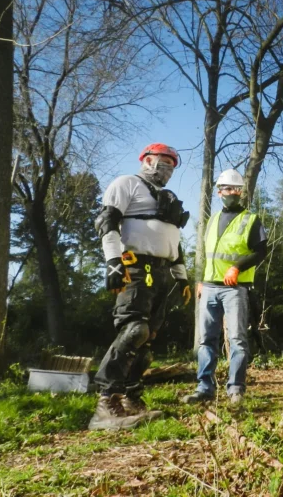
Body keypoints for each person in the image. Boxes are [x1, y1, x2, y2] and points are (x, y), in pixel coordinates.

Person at [88, 143, 192, 430]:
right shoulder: (126, 184)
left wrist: (181, 276)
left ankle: (131, 398)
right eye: (163, 162)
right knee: (135, 330)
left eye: (172, 165)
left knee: (147, 340)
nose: (168, 168)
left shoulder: (167, 197)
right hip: (135, 266)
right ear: (146, 160)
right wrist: (113, 262)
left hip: (161, 272)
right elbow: (107, 222)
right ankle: (106, 403)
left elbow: (174, 241)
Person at [183, 169, 268, 406]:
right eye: (229, 188)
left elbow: (261, 251)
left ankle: (236, 390)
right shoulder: (211, 220)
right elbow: (207, 254)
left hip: (235, 289)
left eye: (237, 189)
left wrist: (237, 268)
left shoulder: (250, 219)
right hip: (209, 287)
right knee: (206, 341)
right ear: (219, 192)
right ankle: (204, 388)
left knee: (238, 340)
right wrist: (200, 279)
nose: (233, 193)